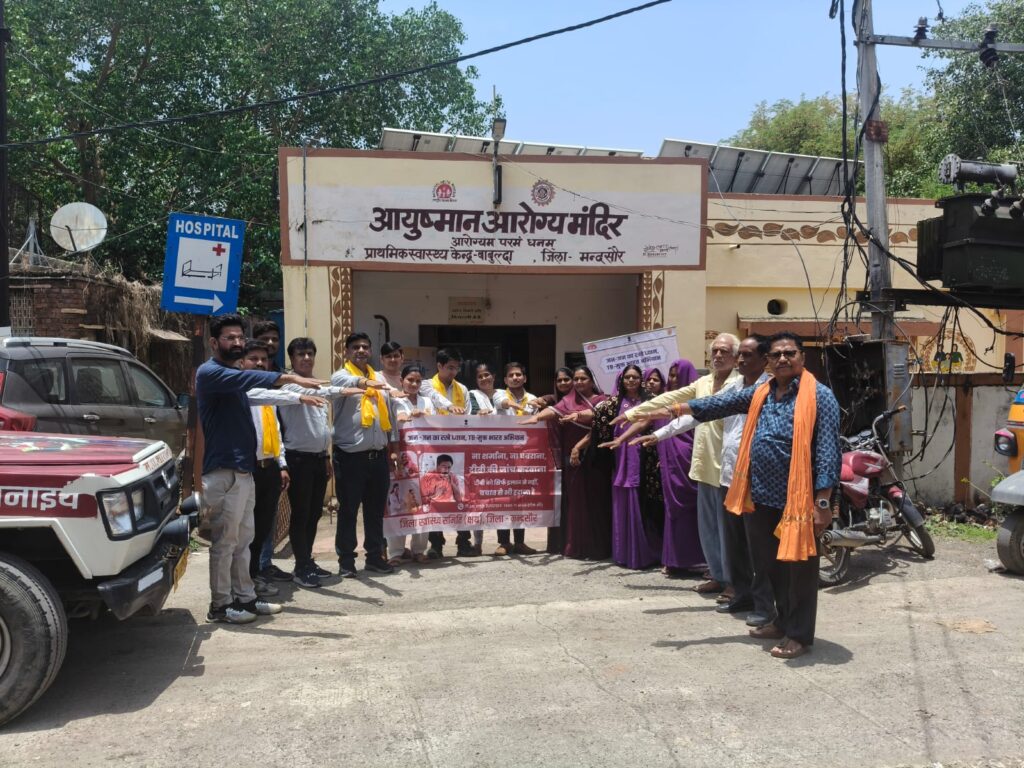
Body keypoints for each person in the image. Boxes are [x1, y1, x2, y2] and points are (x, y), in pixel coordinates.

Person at [674, 332, 841, 659]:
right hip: (761, 497)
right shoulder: (762, 392)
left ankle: (799, 634)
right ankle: (781, 621)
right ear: (768, 361)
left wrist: (822, 502)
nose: (782, 359)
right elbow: (719, 404)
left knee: (798, 570)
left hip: (799, 500)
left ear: (802, 357)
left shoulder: (819, 396)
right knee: (769, 566)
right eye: (776, 355)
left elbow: (827, 452)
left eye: (789, 353)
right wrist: (675, 409)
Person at [196, 314, 322, 624]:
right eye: (230, 338)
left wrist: (300, 395)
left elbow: (262, 394)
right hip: (222, 470)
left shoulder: (237, 379)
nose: (237, 342)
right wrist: (292, 379)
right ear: (214, 342)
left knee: (244, 541)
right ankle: (220, 606)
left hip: (244, 470)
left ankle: (246, 597)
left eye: (240, 337)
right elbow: (252, 381)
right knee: (225, 542)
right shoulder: (211, 373)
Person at [616, 334, 741, 599]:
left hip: (729, 469)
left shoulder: (739, 384)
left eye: (724, 351)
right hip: (703, 466)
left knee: (728, 531)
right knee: (708, 528)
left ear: (736, 356)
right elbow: (676, 401)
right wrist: (640, 420)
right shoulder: (703, 382)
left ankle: (734, 582)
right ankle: (717, 576)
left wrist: (645, 415)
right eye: (715, 351)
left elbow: (696, 408)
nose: (718, 355)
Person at [277, 337, 363, 588]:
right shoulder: (289, 386)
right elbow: (318, 393)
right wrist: (343, 390)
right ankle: (301, 566)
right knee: (301, 513)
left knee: (314, 513)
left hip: (317, 459)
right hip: (298, 459)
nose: (306, 358)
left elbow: (321, 426)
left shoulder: (315, 383)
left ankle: (307, 560)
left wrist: (325, 456)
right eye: (301, 354)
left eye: (310, 354)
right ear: (292, 359)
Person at [624, 360, 704, 576]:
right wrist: (622, 438)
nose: (673, 379)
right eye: (671, 375)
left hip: (690, 462)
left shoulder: (699, 402)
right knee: (672, 511)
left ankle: (699, 560)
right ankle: (675, 559)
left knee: (692, 511)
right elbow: (647, 422)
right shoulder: (665, 400)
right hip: (670, 464)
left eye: (677, 375)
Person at [521, 366, 609, 559]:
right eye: (576, 379)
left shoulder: (603, 400)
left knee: (596, 500)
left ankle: (598, 548)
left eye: (583, 378)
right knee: (577, 502)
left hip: (595, 455)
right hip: (572, 457)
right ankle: (579, 547)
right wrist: (536, 417)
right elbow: (554, 410)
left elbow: (598, 422)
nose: (579, 382)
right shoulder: (569, 400)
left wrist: (580, 440)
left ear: (592, 380)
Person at [331, 332, 400, 577]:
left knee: (375, 511)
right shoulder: (340, 376)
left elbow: (389, 415)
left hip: (378, 456)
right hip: (350, 457)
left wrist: (393, 449)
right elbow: (348, 382)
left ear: (370, 351)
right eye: (355, 347)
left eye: (365, 347)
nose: (361, 350)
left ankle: (374, 557)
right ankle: (346, 561)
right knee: (349, 510)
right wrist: (366, 383)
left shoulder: (379, 380)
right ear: (347, 352)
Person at [594, 365, 662, 569]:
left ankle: (647, 551)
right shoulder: (613, 403)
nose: (631, 380)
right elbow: (597, 420)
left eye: (635, 377)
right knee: (623, 501)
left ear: (641, 380)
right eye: (627, 377)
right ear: (621, 380)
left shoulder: (651, 400)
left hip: (646, 458)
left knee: (645, 503)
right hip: (620, 458)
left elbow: (659, 423)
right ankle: (625, 552)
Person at [387, 364, 435, 564]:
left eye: (418, 381)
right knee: (398, 502)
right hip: (402, 455)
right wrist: (406, 417)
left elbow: (436, 423)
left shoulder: (427, 401)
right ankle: (396, 552)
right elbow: (395, 422)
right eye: (410, 380)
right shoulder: (395, 400)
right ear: (401, 381)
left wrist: (424, 415)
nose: (414, 384)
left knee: (423, 503)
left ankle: (419, 550)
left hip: (424, 457)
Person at [491, 362, 539, 555]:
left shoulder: (533, 399)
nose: (515, 378)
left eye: (518, 375)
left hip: (525, 453)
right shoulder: (498, 394)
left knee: (521, 497)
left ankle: (519, 542)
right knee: (503, 496)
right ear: (505, 380)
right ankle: (504, 542)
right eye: (511, 375)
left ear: (524, 378)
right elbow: (502, 404)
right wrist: (517, 406)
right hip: (503, 454)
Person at [421, 347, 470, 415]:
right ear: (439, 366)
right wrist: (449, 406)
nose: (454, 372)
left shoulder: (462, 389)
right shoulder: (426, 385)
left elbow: (468, 415)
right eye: (451, 368)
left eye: (457, 368)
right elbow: (434, 396)